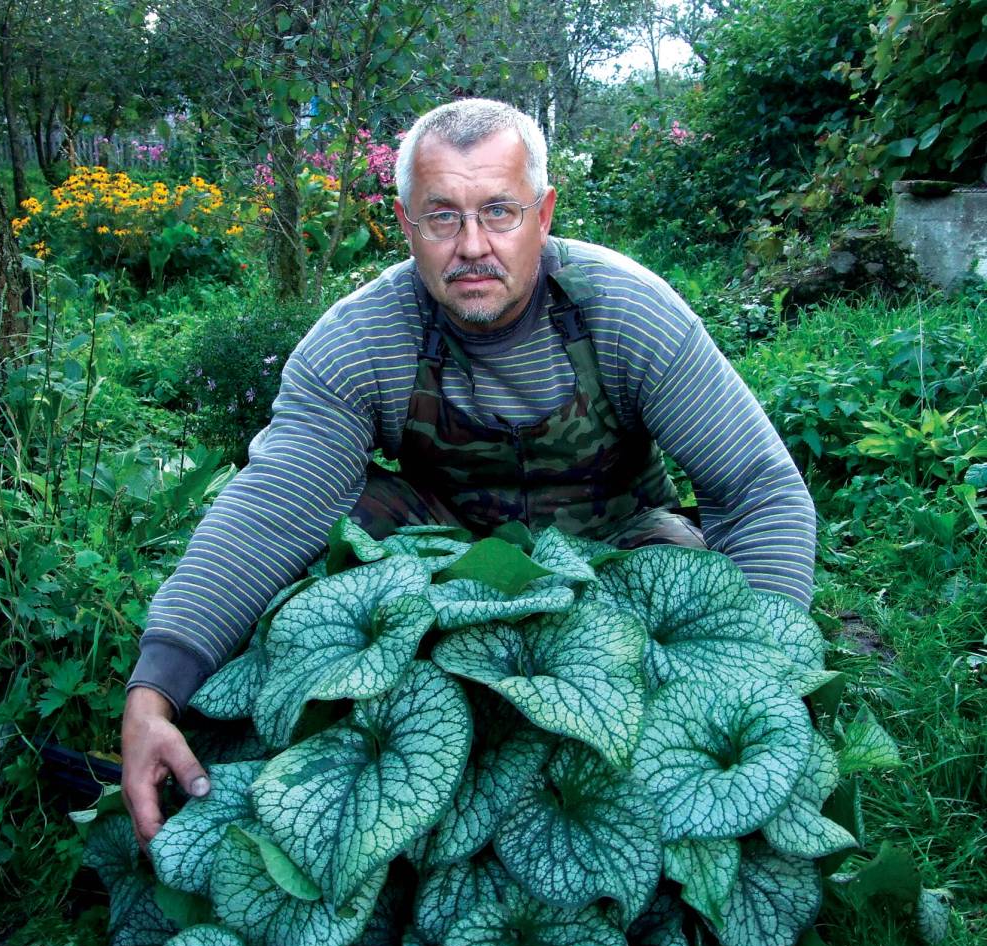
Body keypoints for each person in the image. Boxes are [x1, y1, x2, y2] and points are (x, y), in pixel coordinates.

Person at [121, 98, 816, 849]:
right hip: (452, 577)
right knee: (342, 521)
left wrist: (761, 675)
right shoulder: (362, 340)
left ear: (544, 215)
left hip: (619, 556)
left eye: (499, 212)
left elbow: (757, 489)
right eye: (443, 217)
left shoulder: (626, 311)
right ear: (406, 224)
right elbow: (273, 508)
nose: (473, 245)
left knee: (685, 558)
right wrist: (156, 687)